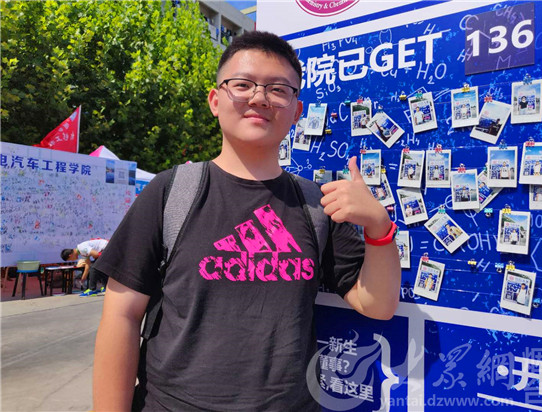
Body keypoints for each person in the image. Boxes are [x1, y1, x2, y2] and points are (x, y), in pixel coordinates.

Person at [92, 31, 401, 412]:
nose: (259, 98)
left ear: (296, 111)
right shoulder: (170, 192)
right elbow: (121, 315)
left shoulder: (317, 205)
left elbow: (378, 304)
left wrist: (378, 226)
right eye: (242, 85)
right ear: (215, 100)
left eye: (278, 89)